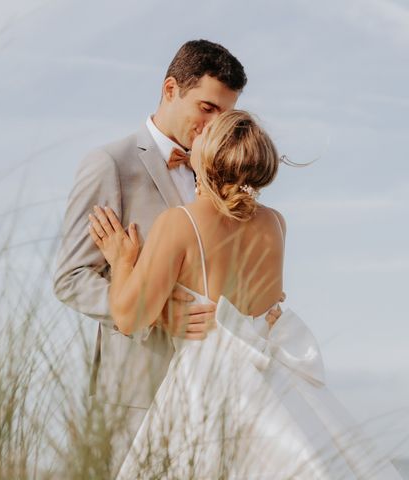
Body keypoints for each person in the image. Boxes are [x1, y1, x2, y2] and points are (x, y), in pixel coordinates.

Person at [89, 110, 403, 479]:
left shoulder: (180, 223)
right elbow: (264, 303)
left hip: (208, 383)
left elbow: (129, 318)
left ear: (208, 157)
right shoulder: (275, 223)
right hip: (276, 382)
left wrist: (122, 259)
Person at [53, 39, 283, 475]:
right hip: (139, 388)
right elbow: (71, 276)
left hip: (221, 388)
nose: (214, 124)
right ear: (171, 88)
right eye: (207, 108)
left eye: (226, 112)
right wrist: (155, 312)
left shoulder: (221, 167)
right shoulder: (110, 164)